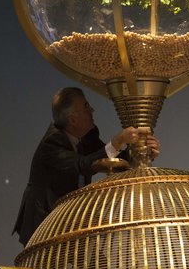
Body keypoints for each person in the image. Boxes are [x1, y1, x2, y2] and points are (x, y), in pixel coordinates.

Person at [12, 87, 160, 246]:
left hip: (70, 218)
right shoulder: (52, 143)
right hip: (44, 224)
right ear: (72, 120)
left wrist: (143, 152)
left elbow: (110, 159)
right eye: (86, 107)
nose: (92, 110)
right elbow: (82, 165)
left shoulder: (87, 135)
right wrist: (117, 142)